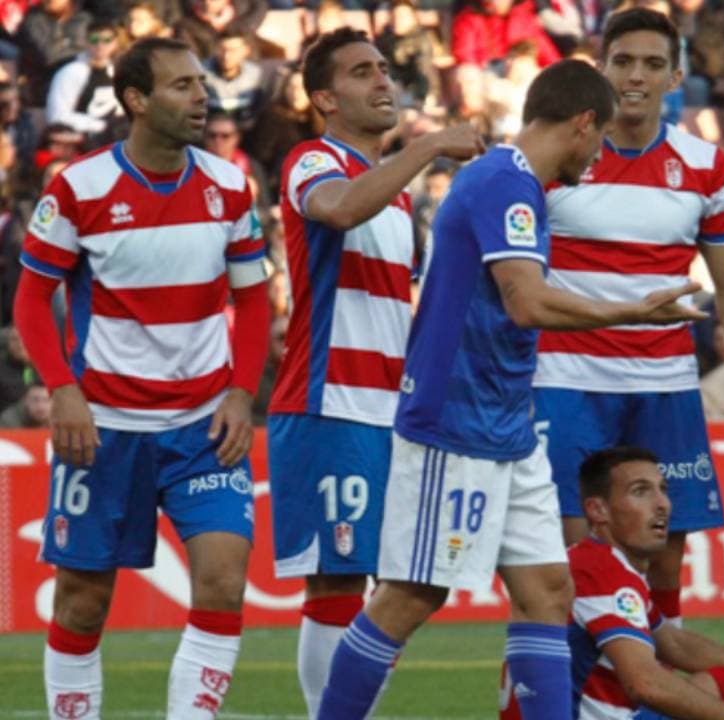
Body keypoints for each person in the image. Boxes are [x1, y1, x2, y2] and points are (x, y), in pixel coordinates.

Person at [315, 59, 707, 719]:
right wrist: (633, 310)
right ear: (583, 123)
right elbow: (527, 303)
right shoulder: (505, 182)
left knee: (549, 589)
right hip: (455, 419)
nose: (601, 153)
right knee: (411, 595)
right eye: (602, 136)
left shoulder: (518, 186)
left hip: (507, 423)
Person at [15, 36, 270, 719]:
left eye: (201, 84)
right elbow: (31, 300)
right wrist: (63, 389)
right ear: (136, 99)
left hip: (204, 428)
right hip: (104, 429)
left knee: (223, 583)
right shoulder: (79, 187)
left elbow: (253, 301)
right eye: (182, 86)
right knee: (82, 601)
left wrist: (242, 392)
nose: (202, 97)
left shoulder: (228, 186)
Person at [265, 27, 485, 719]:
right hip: (329, 402)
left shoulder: (397, 198)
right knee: (337, 582)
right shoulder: (312, 160)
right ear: (326, 99)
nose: (384, 81)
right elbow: (337, 207)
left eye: (385, 69)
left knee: (403, 585)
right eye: (363, 72)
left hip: (392, 410)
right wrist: (427, 146)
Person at [535, 9, 724, 630]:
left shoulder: (704, 165)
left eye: (652, 64)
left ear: (675, 78)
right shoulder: (557, 155)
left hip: (664, 385)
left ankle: (657, 676)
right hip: (567, 382)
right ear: (600, 69)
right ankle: (575, 680)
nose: (635, 76)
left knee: (665, 565)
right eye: (622, 62)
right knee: (575, 563)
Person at [500, 446, 724, 720]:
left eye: (663, 489)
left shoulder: (597, 561)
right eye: (640, 492)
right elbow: (645, 684)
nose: (662, 504)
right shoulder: (600, 572)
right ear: (598, 510)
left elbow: (672, 643)